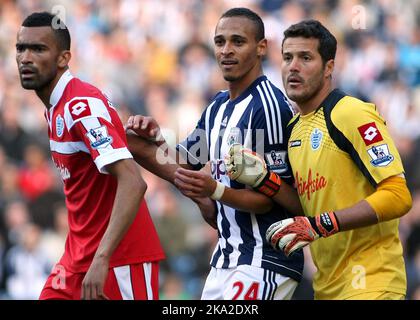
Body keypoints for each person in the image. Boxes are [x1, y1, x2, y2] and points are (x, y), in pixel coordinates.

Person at [225, 19, 413, 300]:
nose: (293, 67)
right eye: (288, 57)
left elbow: (398, 196)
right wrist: (266, 180)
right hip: (326, 287)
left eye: (306, 58)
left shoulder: (351, 113)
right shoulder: (294, 129)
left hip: (371, 282)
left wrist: (321, 224)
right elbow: (308, 207)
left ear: (329, 67)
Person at [125, 7, 304, 300]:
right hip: (225, 258)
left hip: (264, 260)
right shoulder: (218, 106)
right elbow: (185, 161)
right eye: (220, 42)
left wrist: (216, 191)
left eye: (238, 41)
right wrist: (153, 139)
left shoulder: (269, 108)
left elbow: (276, 201)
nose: (226, 50)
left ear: (261, 48)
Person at [15, 12, 164, 300]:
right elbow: (137, 146)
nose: (26, 57)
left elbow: (134, 181)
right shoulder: (55, 106)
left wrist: (101, 259)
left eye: (38, 49)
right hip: (76, 258)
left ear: (63, 58)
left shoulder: (80, 105)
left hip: (119, 259)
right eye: (21, 48)